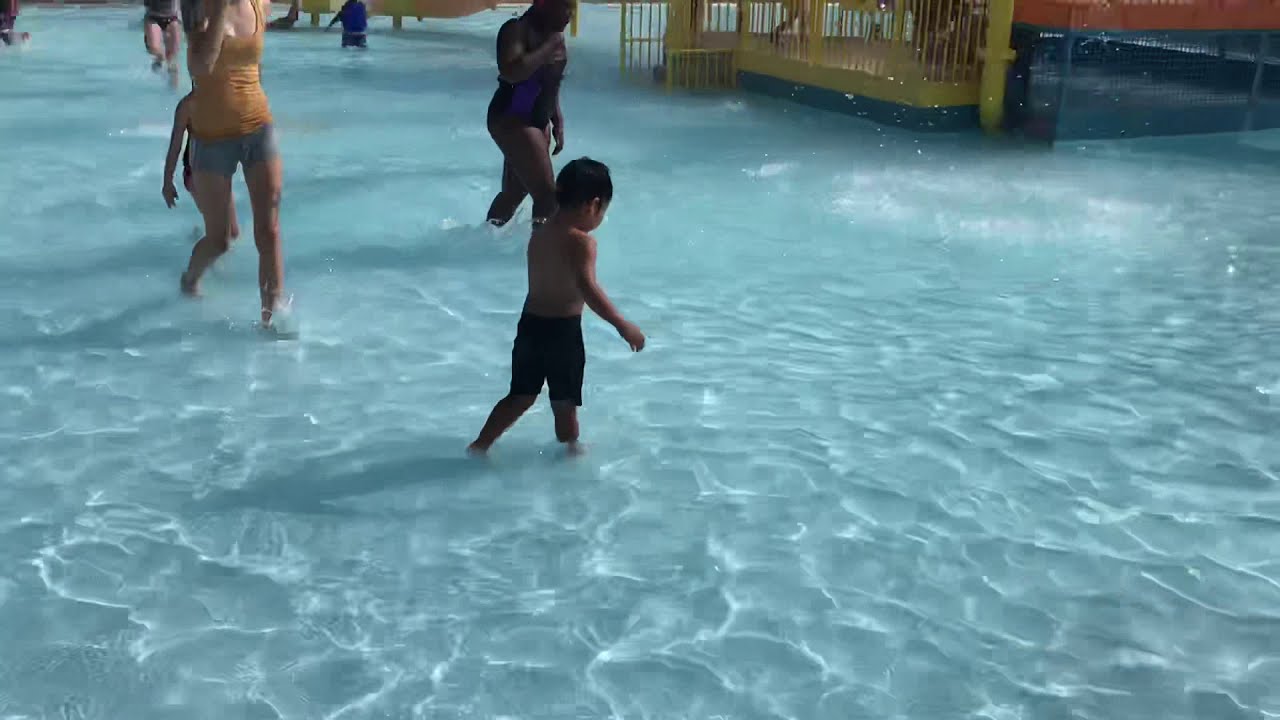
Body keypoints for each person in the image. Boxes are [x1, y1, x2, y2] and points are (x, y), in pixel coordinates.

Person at [469, 158, 646, 457]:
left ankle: (480, 445)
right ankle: (571, 450)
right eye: (603, 210)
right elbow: (588, 289)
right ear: (593, 205)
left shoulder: (540, 232)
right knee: (564, 400)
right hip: (562, 332)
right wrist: (621, 324)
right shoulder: (581, 243)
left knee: (521, 395)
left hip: (530, 325)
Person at [184, 0, 287, 330]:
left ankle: (272, 321)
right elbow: (200, 66)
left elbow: (253, 63)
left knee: (269, 231)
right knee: (219, 240)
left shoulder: (260, 4)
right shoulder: (199, 7)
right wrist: (221, 13)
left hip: (258, 126)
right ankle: (189, 279)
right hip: (211, 137)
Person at [484, 0, 572, 231]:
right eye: (565, 7)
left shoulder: (554, 35)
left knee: (513, 194)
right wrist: (548, 47)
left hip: (537, 118)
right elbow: (511, 72)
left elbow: (550, 82)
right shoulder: (516, 30)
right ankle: (542, 255)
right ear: (544, 5)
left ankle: (486, 240)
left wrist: (557, 118)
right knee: (548, 197)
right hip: (512, 117)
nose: (570, 14)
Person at [163, 92, 241, 246]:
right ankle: (199, 267)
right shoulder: (187, 106)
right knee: (221, 236)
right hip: (196, 175)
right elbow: (175, 147)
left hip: (220, 174)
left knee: (232, 233)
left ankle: (197, 240)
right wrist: (167, 181)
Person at [143, 0, 183, 77]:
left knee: (172, 59)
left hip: (173, 17)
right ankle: (160, 57)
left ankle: (172, 87)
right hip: (153, 16)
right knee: (153, 48)